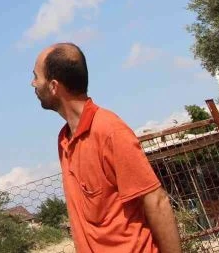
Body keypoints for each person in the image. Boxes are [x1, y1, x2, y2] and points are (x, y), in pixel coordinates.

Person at [31, 42, 182, 253]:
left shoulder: (110, 130)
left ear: (54, 86)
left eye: (36, 76)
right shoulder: (64, 140)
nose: (33, 83)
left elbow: (156, 201)